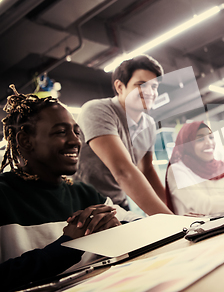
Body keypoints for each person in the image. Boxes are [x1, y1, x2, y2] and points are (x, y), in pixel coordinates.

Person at [0, 86, 138, 291]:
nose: (75, 141)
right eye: (61, 132)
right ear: (25, 140)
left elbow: (139, 226)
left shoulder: (86, 194)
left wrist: (118, 231)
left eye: (76, 132)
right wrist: (68, 245)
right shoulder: (4, 196)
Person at [74, 55, 172, 215]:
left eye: (154, 87)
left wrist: (175, 211)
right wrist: (171, 219)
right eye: (141, 85)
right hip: (84, 206)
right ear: (120, 87)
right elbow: (123, 171)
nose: (150, 92)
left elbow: (146, 170)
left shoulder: (148, 124)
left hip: (117, 204)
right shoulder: (97, 110)